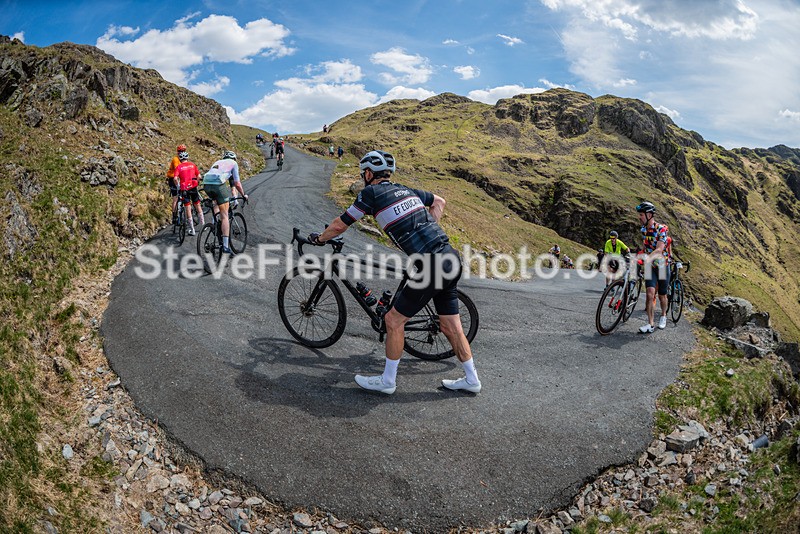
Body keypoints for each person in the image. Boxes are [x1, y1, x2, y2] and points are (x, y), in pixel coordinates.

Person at [308, 150, 481, 395]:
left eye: (363, 173)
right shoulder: (407, 190)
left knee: (393, 320)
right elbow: (439, 201)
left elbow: (341, 224)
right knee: (451, 325)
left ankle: (387, 381)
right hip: (450, 258)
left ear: (368, 174)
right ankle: (472, 379)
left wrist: (319, 239)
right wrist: (428, 228)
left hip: (431, 264)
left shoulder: (371, 193)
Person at [202, 151, 246, 255]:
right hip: (218, 185)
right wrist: (243, 195)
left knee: (217, 203)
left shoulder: (218, 161)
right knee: (225, 215)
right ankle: (225, 247)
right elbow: (237, 183)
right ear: (234, 158)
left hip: (206, 184)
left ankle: (214, 225)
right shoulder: (234, 163)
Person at [636, 201, 670, 333]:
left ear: (649, 215)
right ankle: (650, 324)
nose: (639, 217)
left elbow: (660, 249)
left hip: (661, 265)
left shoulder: (661, 229)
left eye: (641, 215)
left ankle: (663, 315)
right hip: (650, 267)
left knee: (662, 295)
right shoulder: (644, 230)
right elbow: (645, 246)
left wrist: (647, 257)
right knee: (650, 294)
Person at [174, 151, 204, 235]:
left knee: (188, 207)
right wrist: (196, 183)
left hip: (184, 189)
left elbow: (175, 179)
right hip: (193, 187)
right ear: (187, 158)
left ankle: (192, 229)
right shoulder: (192, 165)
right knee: (197, 205)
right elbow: (199, 176)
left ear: (180, 159)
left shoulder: (179, 167)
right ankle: (203, 225)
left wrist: (178, 186)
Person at [166, 144, 186, 222]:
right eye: (180, 151)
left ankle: (182, 212)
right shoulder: (175, 159)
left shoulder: (183, 159)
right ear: (178, 152)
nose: (181, 152)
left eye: (183, 151)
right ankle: (174, 216)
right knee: (175, 198)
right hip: (173, 179)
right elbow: (177, 169)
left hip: (180, 179)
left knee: (182, 196)